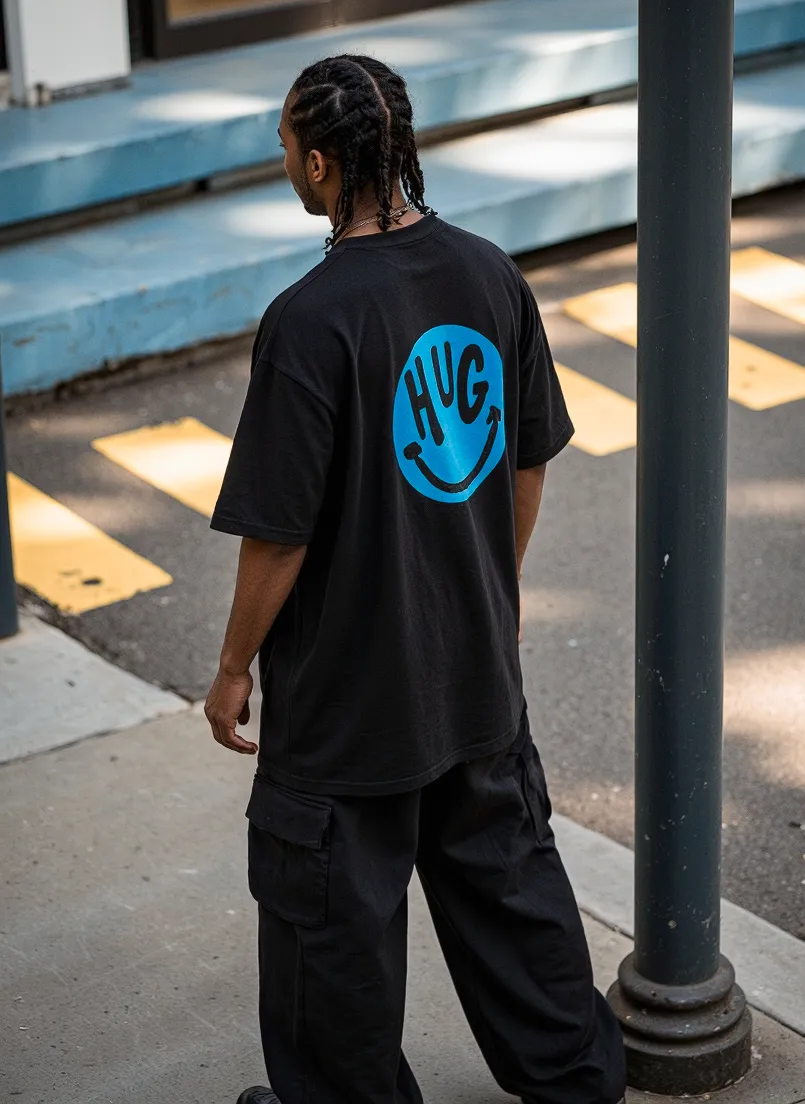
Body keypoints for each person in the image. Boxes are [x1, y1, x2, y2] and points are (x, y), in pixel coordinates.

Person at [204, 54, 626, 1104]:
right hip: (474, 672)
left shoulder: (309, 321)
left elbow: (278, 537)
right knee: (512, 896)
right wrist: (494, 594)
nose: (283, 164)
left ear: (315, 161)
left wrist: (230, 668)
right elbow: (525, 457)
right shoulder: (489, 273)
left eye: (283, 147)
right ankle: (577, 1083)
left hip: (348, 711)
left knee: (329, 942)